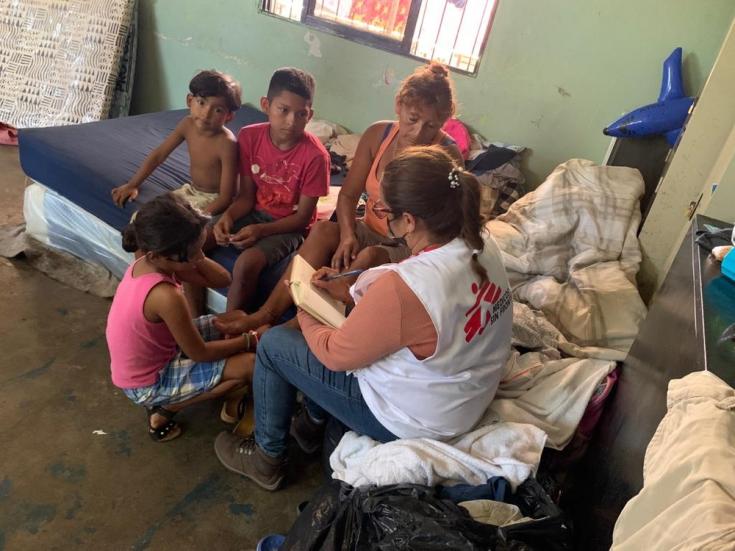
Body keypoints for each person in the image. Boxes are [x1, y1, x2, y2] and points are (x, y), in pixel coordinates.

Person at [213, 146, 514, 490]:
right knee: (337, 331)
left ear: (410, 221)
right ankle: (310, 426)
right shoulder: (479, 243)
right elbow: (417, 307)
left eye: (384, 210)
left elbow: (335, 355)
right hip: (465, 398)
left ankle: (266, 458)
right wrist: (346, 293)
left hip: (416, 419)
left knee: (275, 344)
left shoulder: (407, 289)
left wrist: (305, 303)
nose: (381, 216)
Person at [214, 62, 463, 334]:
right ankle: (265, 314)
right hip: (370, 227)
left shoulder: (446, 156)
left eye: (431, 126)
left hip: (409, 242)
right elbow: (347, 196)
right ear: (399, 105)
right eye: (413, 119)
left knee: (367, 256)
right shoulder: (378, 135)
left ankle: (291, 329)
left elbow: (437, 230)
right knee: (322, 230)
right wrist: (347, 235)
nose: (418, 133)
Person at [106, 194, 256, 443]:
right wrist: (249, 341)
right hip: (146, 383)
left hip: (159, 354)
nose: (199, 257)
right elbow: (200, 353)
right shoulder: (165, 295)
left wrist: (195, 253)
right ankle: (166, 408)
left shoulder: (150, 262)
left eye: (200, 247)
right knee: (248, 365)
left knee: (237, 318)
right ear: (157, 255)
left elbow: (223, 280)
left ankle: (182, 395)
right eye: (192, 253)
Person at [210, 67, 330, 313]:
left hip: (288, 227)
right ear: (266, 105)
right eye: (283, 110)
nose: (291, 121)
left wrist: (260, 230)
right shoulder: (249, 137)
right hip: (252, 212)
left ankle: (231, 332)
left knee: (246, 264)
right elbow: (245, 197)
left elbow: (302, 219)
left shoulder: (316, 157)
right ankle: (193, 323)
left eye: (301, 114)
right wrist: (229, 218)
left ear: (310, 115)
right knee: (199, 237)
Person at [111, 70, 241, 216]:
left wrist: (198, 219)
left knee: (174, 230)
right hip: (190, 190)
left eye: (217, 110)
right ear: (190, 101)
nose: (206, 114)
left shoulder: (227, 143)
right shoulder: (187, 124)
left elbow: (226, 197)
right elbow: (159, 155)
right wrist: (133, 184)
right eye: (201, 102)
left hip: (213, 199)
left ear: (228, 116)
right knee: (142, 217)